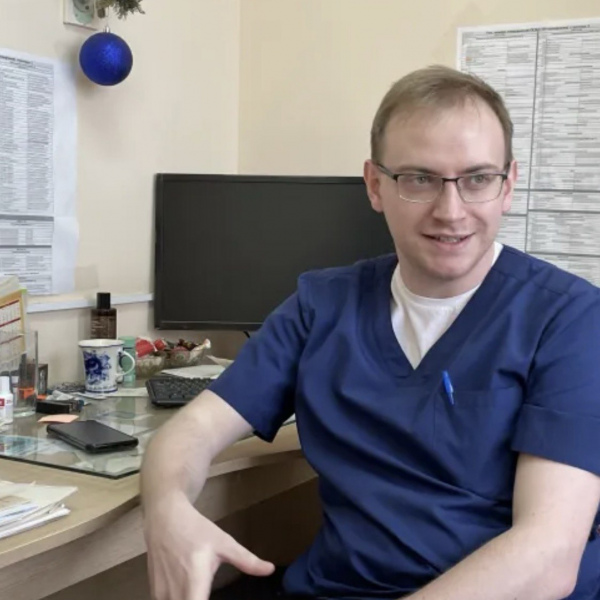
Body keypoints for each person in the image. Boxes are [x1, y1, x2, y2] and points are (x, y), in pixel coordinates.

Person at [141, 65, 600, 600]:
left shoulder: (569, 318)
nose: (451, 211)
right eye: (419, 179)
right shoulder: (321, 305)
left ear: (508, 185)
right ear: (375, 185)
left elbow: (548, 556)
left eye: (477, 179)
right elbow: (193, 429)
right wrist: (167, 508)